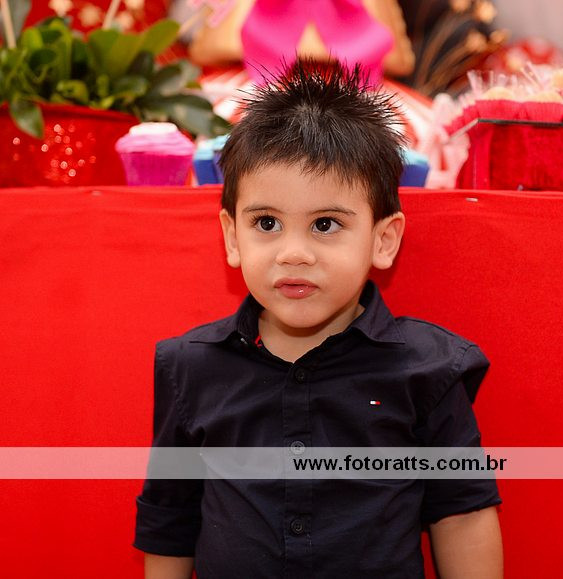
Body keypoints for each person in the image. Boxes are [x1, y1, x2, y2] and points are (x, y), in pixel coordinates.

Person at [133, 60, 502, 579]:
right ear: (232, 237)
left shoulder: (430, 371)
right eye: (267, 223)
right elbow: (169, 521)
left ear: (383, 240)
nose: (294, 253)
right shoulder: (190, 367)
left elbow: (461, 515)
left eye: (325, 225)